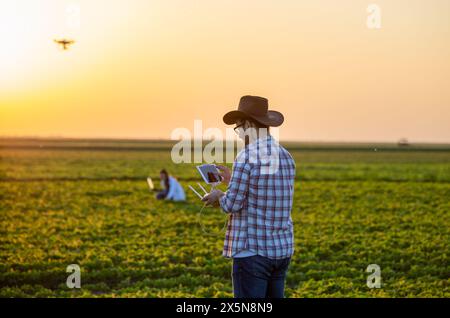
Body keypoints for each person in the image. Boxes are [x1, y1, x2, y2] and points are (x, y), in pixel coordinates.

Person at [202, 95, 296, 298]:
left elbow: (232, 205)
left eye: (238, 127)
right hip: (281, 250)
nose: (238, 134)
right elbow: (265, 191)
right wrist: (232, 180)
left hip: (253, 252)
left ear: (249, 124)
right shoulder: (286, 155)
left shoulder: (247, 155)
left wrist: (218, 196)